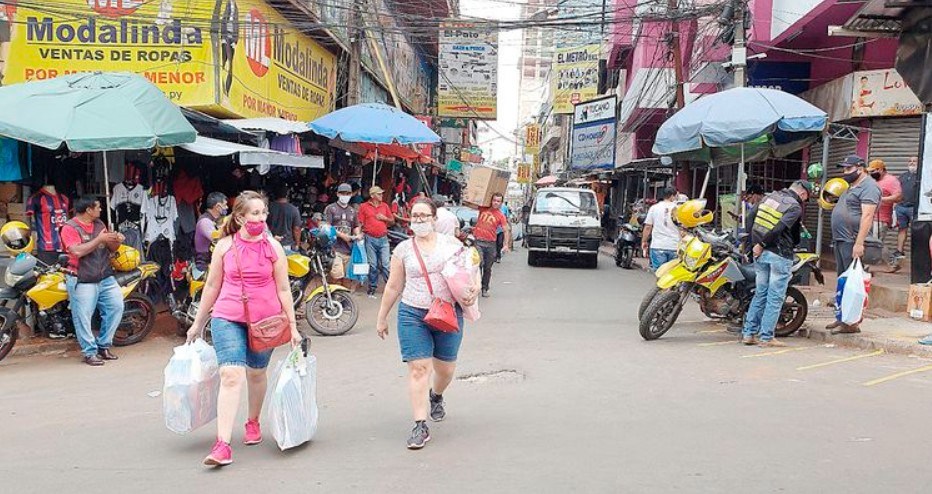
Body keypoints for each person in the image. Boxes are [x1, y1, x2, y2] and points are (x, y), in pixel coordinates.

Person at [185, 191, 302, 467]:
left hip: (266, 320)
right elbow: (212, 286)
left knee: (257, 373)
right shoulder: (225, 246)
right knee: (231, 375)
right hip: (227, 316)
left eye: (263, 213)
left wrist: (293, 328)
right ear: (239, 217)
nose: (260, 218)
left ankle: (253, 421)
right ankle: (223, 444)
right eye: (255, 213)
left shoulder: (273, 248)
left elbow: (284, 288)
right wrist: (197, 323)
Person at [375, 198, 479, 450]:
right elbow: (393, 285)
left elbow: (470, 270)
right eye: (415, 216)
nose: (419, 220)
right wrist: (381, 317)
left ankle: (437, 395)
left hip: (447, 314)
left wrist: (473, 289)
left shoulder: (452, 245)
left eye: (424, 215)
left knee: (445, 370)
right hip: (413, 314)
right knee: (419, 368)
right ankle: (420, 424)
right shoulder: (403, 249)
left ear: (434, 218)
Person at [742, 181, 811, 347]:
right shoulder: (794, 207)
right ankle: (766, 337)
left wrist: (753, 245)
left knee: (760, 293)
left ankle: (749, 333)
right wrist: (762, 244)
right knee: (775, 297)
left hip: (761, 254)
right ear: (802, 194)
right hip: (779, 254)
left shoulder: (769, 198)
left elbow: (751, 217)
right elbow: (779, 228)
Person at [59, 196, 125, 366]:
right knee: (83, 317)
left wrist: (116, 240)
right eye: (98, 207)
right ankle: (89, 352)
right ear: (88, 210)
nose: (101, 209)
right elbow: (77, 252)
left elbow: (112, 248)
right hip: (81, 278)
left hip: (105, 276)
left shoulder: (100, 225)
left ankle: (103, 345)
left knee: (116, 307)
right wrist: (100, 239)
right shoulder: (69, 228)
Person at [828, 155, 882, 334]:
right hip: (841, 239)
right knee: (843, 281)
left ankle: (851, 323)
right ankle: (842, 317)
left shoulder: (870, 187)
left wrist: (859, 243)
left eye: (848, 169)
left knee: (853, 283)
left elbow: (867, 216)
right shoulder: (853, 186)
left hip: (852, 240)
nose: (845, 172)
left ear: (860, 168)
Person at [358, 186, 395, 298]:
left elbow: (392, 221)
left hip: (383, 238)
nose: (381, 196)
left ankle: (391, 287)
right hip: (370, 238)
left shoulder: (385, 206)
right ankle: (372, 287)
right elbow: (360, 222)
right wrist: (359, 234)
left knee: (386, 264)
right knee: (372, 265)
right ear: (372, 195)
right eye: (379, 194)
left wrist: (385, 219)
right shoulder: (363, 207)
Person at [473, 193, 511, 297]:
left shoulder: (501, 216)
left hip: (490, 244)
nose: (496, 203)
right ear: (491, 200)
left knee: (487, 267)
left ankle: (485, 288)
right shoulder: (483, 209)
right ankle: (476, 286)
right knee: (478, 264)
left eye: (498, 201)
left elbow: (506, 230)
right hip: (478, 242)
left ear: (501, 203)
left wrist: (506, 244)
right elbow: (471, 203)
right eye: (494, 200)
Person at [324, 183, 361, 285]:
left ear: (351, 194)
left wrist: (358, 235)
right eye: (343, 193)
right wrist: (342, 235)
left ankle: (342, 299)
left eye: (348, 193)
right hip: (334, 249)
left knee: (347, 278)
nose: (345, 196)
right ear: (337, 194)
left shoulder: (352, 211)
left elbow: (356, 226)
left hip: (349, 250)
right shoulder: (330, 209)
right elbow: (327, 227)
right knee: (336, 276)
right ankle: (332, 297)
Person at [866, 159, 902, 260]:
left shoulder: (891, 180)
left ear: (880, 169)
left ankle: (892, 261)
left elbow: (898, 197)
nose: (871, 174)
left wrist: (881, 199)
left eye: (873, 171)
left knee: (877, 242)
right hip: (870, 215)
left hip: (881, 218)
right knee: (869, 240)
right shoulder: (873, 181)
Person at [641, 187, 680, 270]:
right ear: (672, 196)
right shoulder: (678, 209)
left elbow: (648, 227)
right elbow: (683, 228)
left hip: (658, 246)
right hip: (674, 246)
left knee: (660, 275)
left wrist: (644, 241)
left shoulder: (654, 208)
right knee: (672, 276)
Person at [893, 156, 919, 268]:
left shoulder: (921, 175)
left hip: (914, 208)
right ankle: (899, 251)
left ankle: (917, 253)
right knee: (902, 229)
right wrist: (895, 205)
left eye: (914, 161)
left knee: (917, 231)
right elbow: (897, 191)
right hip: (901, 207)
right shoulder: (903, 176)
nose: (912, 163)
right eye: (910, 161)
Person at [195, 192, 227, 271]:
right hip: (204, 266)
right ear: (218, 207)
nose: (226, 207)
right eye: (225, 205)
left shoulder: (213, 220)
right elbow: (218, 240)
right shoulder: (205, 222)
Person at [267, 184, 302, 250]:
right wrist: (297, 244)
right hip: (287, 244)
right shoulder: (293, 209)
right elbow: (296, 229)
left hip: (271, 242)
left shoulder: (269, 208)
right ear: (287, 195)